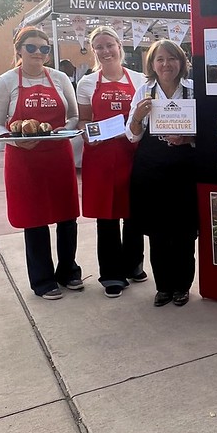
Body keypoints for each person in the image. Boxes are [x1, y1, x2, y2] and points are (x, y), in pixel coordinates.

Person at [0, 26, 83, 300]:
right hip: (24, 158)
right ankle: (43, 280)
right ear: (19, 50)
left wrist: (61, 131)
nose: (38, 53)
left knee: (67, 216)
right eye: (31, 47)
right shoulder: (5, 82)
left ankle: (69, 271)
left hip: (58, 155)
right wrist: (16, 141)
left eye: (44, 48)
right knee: (35, 219)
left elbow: (73, 116)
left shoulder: (60, 78)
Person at [76, 26, 147, 298]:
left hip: (132, 152)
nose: (106, 51)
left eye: (110, 45)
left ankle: (133, 265)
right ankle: (111, 274)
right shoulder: (87, 83)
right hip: (101, 155)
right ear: (94, 52)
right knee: (107, 216)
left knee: (133, 213)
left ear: (120, 46)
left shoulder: (139, 79)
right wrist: (89, 133)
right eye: (100, 47)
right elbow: (83, 120)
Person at [126, 39, 197, 307]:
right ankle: (163, 286)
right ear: (152, 65)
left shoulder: (193, 91)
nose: (166, 64)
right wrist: (136, 118)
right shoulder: (144, 92)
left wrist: (188, 138)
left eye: (172, 58)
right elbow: (132, 137)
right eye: (160, 59)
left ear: (181, 62)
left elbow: (207, 131)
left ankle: (182, 286)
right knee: (157, 232)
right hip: (151, 169)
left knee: (184, 231)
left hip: (184, 168)